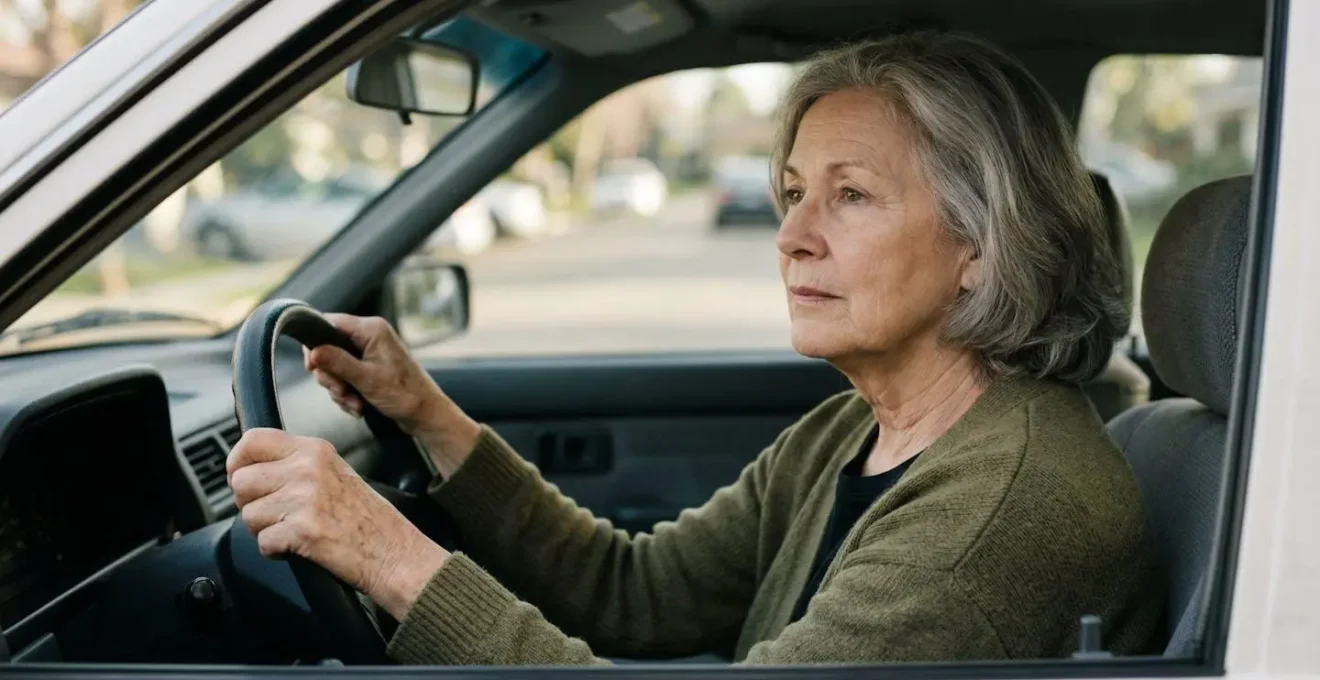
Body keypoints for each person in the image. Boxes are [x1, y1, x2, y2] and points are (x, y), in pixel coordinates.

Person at [226, 31, 1164, 665]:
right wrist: (428, 418)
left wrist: (386, 555)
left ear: (979, 246)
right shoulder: (855, 430)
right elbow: (636, 592)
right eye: (794, 192)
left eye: (851, 195)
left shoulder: (1005, 504)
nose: (793, 233)